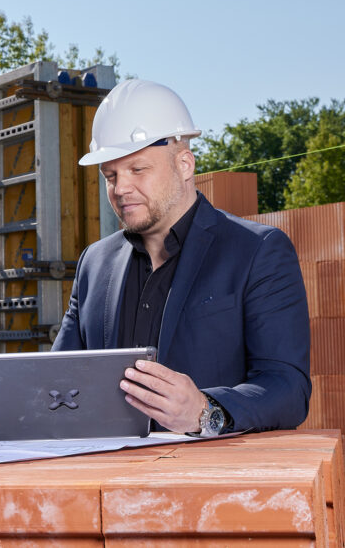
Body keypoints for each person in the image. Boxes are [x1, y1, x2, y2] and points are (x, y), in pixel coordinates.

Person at [52, 79, 310, 437]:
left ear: (184, 164)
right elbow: (55, 383)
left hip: (206, 482)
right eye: (110, 175)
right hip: (106, 480)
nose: (120, 188)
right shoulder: (93, 264)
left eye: (137, 170)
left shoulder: (257, 252)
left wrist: (206, 412)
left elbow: (288, 389)